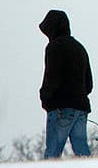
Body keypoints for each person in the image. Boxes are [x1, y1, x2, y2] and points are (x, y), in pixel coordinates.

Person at [38, 9, 94, 159]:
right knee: (83, 153)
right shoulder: (80, 48)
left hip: (60, 108)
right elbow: (89, 84)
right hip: (81, 108)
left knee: (52, 155)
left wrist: (45, 96)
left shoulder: (54, 47)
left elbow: (52, 77)